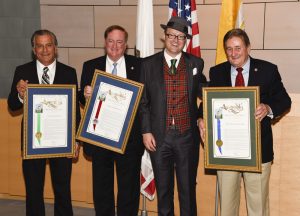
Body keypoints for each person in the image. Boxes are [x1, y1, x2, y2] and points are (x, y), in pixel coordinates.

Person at [199, 28, 291, 216]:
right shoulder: (217, 72)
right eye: (229, 49)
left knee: (257, 206)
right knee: (226, 206)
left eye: (238, 48)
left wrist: (267, 107)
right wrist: (201, 118)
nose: (233, 53)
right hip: (226, 152)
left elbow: (284, 100)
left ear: (248, 47)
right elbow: (208, 101)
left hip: (257, 150)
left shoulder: (267, 70)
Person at [7, 29, 81, 216]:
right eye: (39, 45)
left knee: (63, 190)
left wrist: (77, 140)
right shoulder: (22, 71)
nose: (44, 50)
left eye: (48, 45)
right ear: (34, 49)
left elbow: (74, 110)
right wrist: (20, 94)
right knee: (33, 191)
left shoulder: (68, 72)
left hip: (61, 141)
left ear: (55, 48)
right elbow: (12, 105)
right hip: (33, 141)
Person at [139, 16, 207, 216]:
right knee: (164, 190)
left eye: (180, 37)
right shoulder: (148, 65)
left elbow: (204, 93)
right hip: (159, 138)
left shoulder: (196, 63)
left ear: (185, 40)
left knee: (187, 191)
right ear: (164, 37)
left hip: (187, 137)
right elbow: (143, 102)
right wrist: (146, 131)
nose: (175, 40)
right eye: (171, 36)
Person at [79, 25, 144, 216]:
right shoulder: (90, 66)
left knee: (129, 190)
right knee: (102, 189)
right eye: (110, 41)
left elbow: (145, 98)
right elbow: (82, 98)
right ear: (104, 42)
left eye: (119, 42)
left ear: (126, 45)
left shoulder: (139, 65)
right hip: (100, 138)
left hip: (130, 139)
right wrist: (86, 94)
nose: (114, 46)